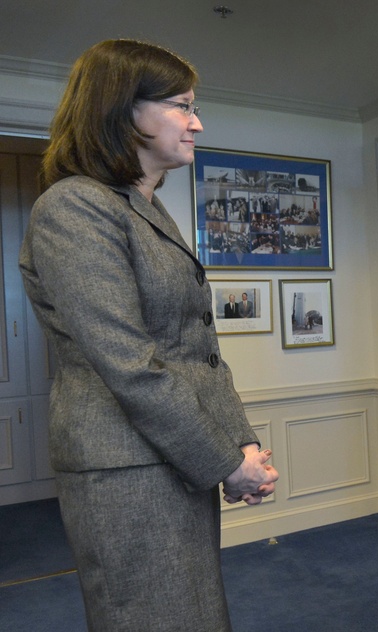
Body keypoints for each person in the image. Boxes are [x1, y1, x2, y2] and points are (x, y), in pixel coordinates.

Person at [18, 39, 279, 632]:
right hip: (126, 471)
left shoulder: (147, 208)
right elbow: (130, 364)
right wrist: (224, 462)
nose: (197, 123)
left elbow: (197, 350)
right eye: (182, 106)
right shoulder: (74, 207)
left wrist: (241, 447)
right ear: (122, 110)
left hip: (171, 457)